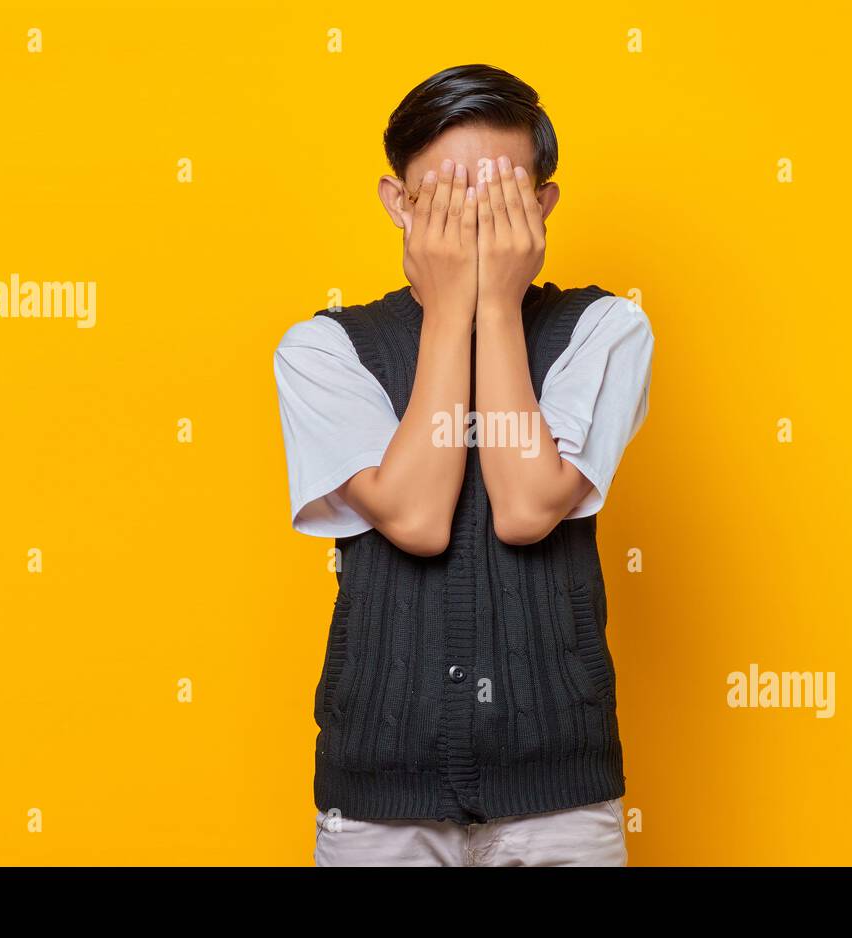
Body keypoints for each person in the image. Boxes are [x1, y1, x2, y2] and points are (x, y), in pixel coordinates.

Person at [273, 64, 653, 866]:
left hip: (559, 788)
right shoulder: (324, 350)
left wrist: (493, 304)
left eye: (502, 198)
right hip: (379, 791)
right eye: (444, 201)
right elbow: (414, 519)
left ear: (543, 204)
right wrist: (450, 309)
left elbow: (524, 506)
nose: (473, 221)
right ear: (399, 203)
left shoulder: (607, 329)